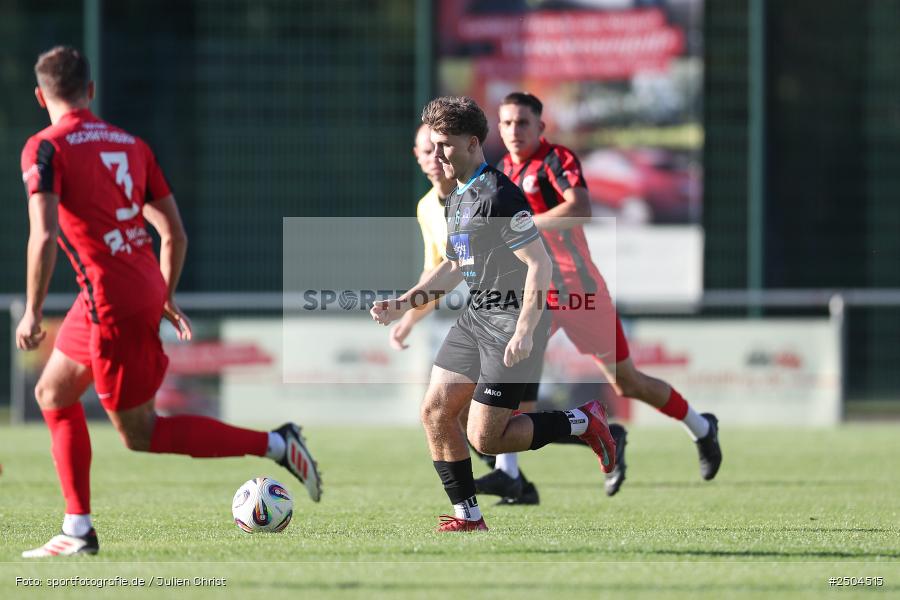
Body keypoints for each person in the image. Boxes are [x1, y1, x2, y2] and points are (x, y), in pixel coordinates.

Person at [16, 46, 321, 557]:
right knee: (52, 395)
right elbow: (173, 233)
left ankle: (276, 442)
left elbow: (43, 236)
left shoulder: (44, 147)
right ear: (90, 91)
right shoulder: (131, 144)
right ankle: (77, 529)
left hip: (109, 301)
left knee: (141, 433)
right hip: (122, 291)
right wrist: (164, 293)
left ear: (39, 96)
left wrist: (30, 310)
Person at [371, 96, 617, 532]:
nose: (437, 154)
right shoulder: (456, 196)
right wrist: (403, 302)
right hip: (476, 315)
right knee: (435, 413)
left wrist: (525, 328)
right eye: (432, 145)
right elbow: (451, 266)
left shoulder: (500, 194)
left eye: (444, 145)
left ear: (470, 143)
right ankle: (469, 517)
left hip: (510, 319)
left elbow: (538, 264)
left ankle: (583, 421)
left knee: (486, 436)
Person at [480, 91, 722, 502]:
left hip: (580, 292)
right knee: (511, 369)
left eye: (523, 122)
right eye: (506, 123)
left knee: (628, 383)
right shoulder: (501, 169)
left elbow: (580, 208)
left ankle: (701, 427)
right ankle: (509, 474)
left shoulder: (557, 159)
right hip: (538, 293)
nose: (514, 130)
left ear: (541, 126)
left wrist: (522, 225)